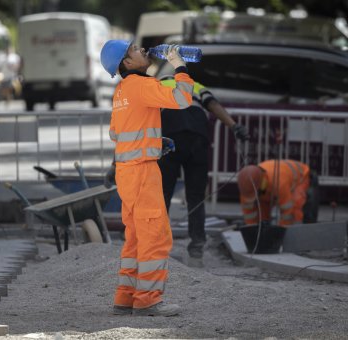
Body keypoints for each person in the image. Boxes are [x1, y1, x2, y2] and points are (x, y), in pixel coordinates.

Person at [100, 40, 194, 317]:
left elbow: (117, 134)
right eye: (134, 50)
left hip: (127, 172)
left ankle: (126, 297)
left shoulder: (121, 92)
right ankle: (149, 300)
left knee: (136, 238)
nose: (142, 50)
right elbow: (183, 98)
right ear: (127, 64)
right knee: (154, 235)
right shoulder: (143, 85)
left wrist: (151, 139)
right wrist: (180, 66)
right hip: (142, 171)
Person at [157, 76, 249, 267]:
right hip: (198, 138)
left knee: (162, 195)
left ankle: (158, 249)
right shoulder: (195, 85)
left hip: (170, 137)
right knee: (196, 197)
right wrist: (234, 126)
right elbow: (213, 105)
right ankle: (196, 250)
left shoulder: (157, 84)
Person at [237, 159, 318, 227]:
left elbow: (287, 212)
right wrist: (252, 232)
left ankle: (299, 233)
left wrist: (281, 232)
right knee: (262, 209)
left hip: (301, 177)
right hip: (273, 184)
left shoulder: (279, 182)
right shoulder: (247, 186)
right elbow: (249, 215)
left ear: (263, 184)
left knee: (296, 206)